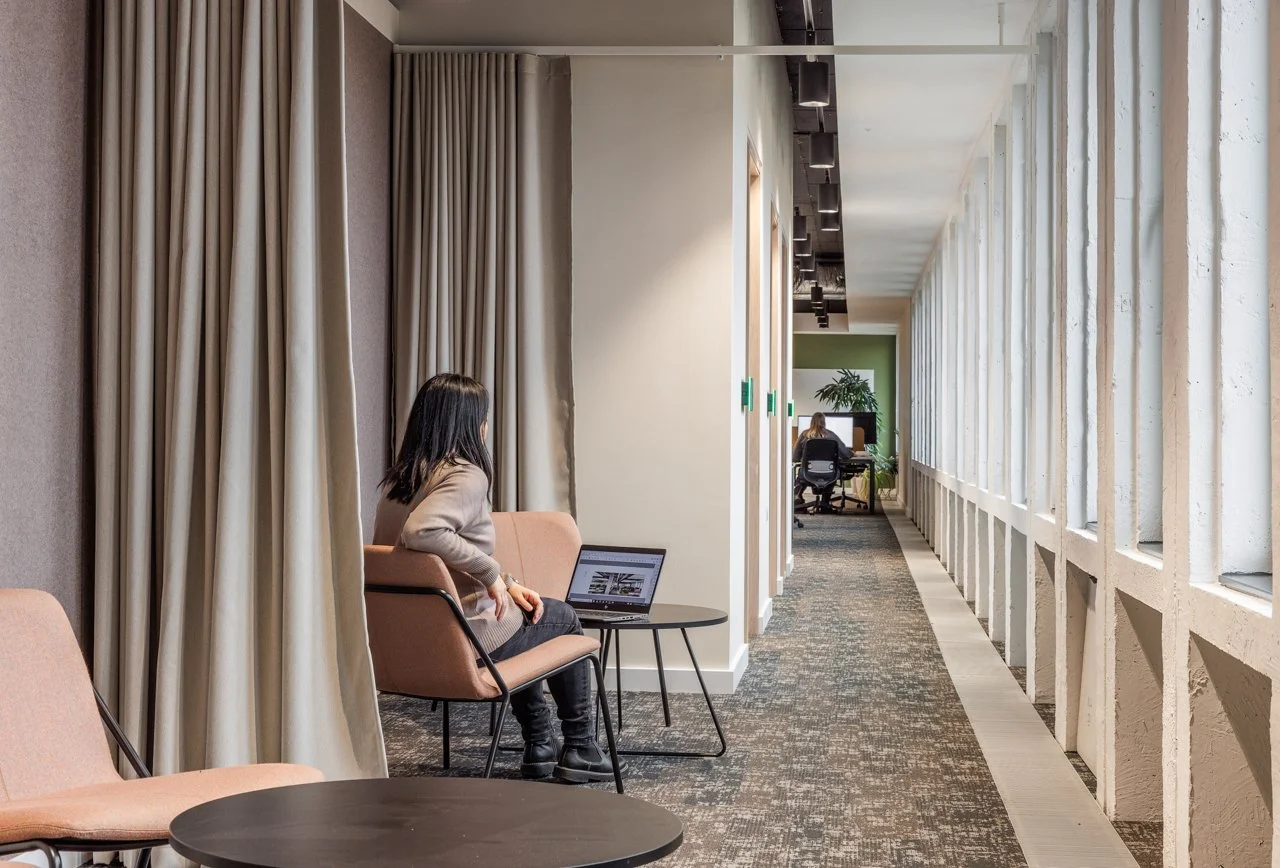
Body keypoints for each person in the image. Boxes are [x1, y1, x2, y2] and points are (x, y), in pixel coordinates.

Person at [374, 373, 615, 783]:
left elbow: (434, 557)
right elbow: (423, 532)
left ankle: (540, 745)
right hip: (465, 640)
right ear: (472, 424)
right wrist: (489, 573)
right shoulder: (464, 475)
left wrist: (506, 580)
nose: (486, 427)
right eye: (483, 418)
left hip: (410, 647)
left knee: (523, 613)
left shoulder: (399, 482)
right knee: (561, 618)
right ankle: (580, 747)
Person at [792, 412, 852, 507]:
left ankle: (797, 496)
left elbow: (794, 457)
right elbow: (846, 455)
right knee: (833, 474)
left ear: (812, 422)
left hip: (807, 474)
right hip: (829, 475)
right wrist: (852, 453)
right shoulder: (832, 436)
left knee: (801, 475)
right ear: (824, 422)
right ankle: (825, 503)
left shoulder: (804, 435)